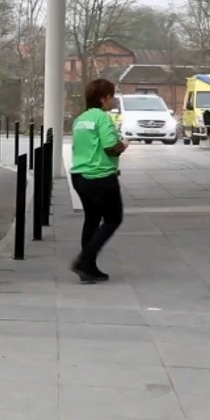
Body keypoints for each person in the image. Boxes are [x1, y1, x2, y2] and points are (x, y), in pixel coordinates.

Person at [69, 78, 128, 283]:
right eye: (112, 96)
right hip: (101, 176)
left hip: (79, 176)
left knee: (92, 219)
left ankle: (89, 269)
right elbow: (110, 146)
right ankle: (84, 260)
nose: (113, 100)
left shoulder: (80, 119)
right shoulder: (102, 118)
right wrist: (124, 145)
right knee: (113, 219)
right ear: (104, 98)